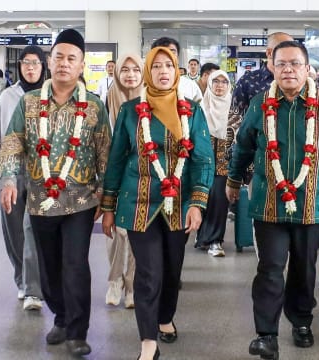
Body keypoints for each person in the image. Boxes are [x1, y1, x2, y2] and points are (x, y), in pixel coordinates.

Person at [228, 41, 319, 360]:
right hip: (268, 203)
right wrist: (232, 181)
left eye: (295, 64)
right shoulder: (259, 104)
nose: (288, 70)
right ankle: (266, 334)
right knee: (269, 268)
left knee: (304, 268)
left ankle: (301, 322)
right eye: (281, 63)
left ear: (307, 68)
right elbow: (242, 146)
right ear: (271, 67)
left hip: (311, 205)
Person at [0, 29, 111, 357]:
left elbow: (105, 152)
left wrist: (107, 197)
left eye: (71, 58)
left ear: (81, 66)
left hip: (80, 201)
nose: (64, 63)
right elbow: (13, 142)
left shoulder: (93, 107)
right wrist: (7, 179)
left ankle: (77, 330)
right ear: (50, 62)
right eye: (59, 57)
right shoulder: (29, 103)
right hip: (40, 201)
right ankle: (60, 316)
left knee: (75, 263)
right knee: (47, 267)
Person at [101, 46, 214, 360]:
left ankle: (165, 317)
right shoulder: (131, 111)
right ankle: (148, 343)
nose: (163, 71)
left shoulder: (192, 110)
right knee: (149, 272)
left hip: (179, 204)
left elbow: (203, 159)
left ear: (176, 71)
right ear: (147, 73)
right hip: (138, 202)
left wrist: (197, 203)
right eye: (156, 66)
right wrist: (108, 207)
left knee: (171, 270)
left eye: (169, 66)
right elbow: (116, 160)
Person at [0, 45, 48, 312]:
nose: (31, 67)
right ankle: (21, 278)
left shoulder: (50, 93)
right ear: (19, 66)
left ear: (43, 66)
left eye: (36, 63)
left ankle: (33, 288)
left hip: (42, 172)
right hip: (11, 171)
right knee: (14, 231)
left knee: (32, 229)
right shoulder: (8, 96)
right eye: (26, 63)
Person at [102, 54, 145, 309]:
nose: (130, 75)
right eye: (125, 70)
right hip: (112, 175)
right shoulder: (108, 100)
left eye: (135, 70)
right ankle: (114, 280)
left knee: (137, 234)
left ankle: (132, 284)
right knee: (114, 233)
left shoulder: (150, 102)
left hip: (141, 179)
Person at [195, 69, 233, 257]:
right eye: (215, 81)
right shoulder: (199, 109)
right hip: (200, 166)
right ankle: (202, 236)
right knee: (202, 201)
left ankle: (215, 241)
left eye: (223, 82)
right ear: (209, 84)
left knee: (219, 202)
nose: (219, 85)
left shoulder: (234, 112)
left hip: (224, 167)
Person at [151, 38, 203, 102]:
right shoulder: (145, 88)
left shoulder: (190, 86)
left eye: (172, 52)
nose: (168, 56)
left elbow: (200, 110)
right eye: (163, 53)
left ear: (177, 57)